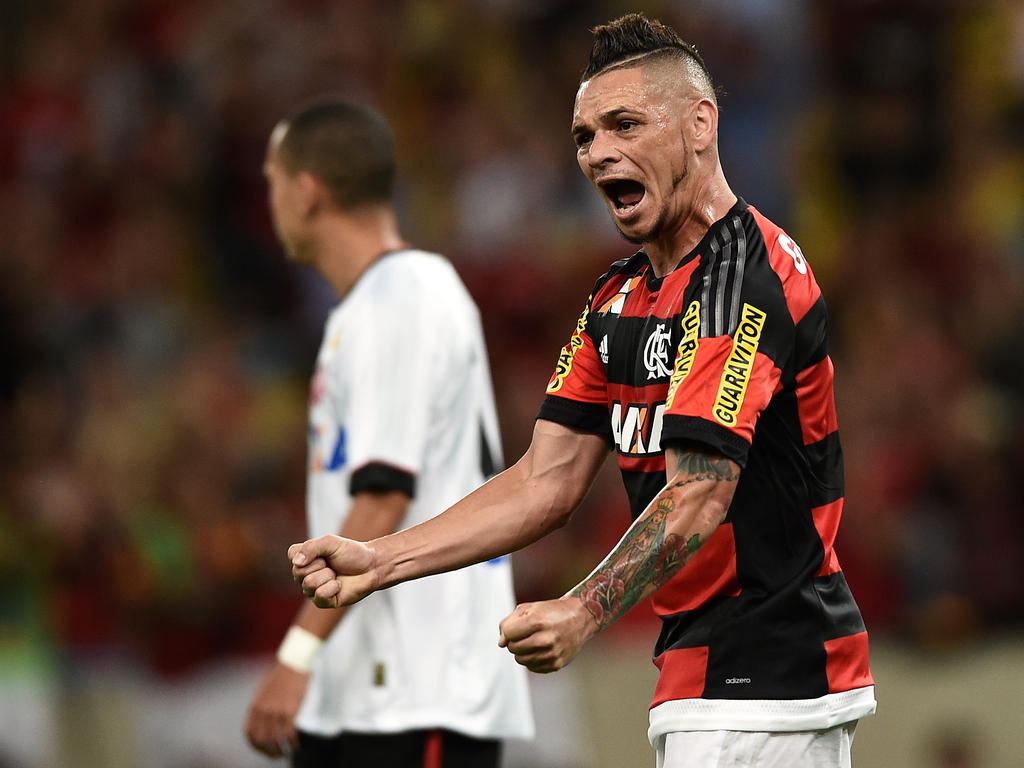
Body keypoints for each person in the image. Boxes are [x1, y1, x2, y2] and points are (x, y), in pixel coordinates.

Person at [288, 13, 876, 768]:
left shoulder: (742, 278)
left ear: (700, 125)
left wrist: (583, 608)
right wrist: (381, 560)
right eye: (584, 137)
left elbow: (700, 493)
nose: (599, 154)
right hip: (707, 685)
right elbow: (546, 480)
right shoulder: (619, 299)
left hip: (767, 680)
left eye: (624, 125)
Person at [244, 100, 533, 767]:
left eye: (273, 179)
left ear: (307, 190)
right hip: (377, 688)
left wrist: (295, 654)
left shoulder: (400, 297)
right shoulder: (381, 302)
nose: (271, 197)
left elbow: (382, 496)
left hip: (414, 689)